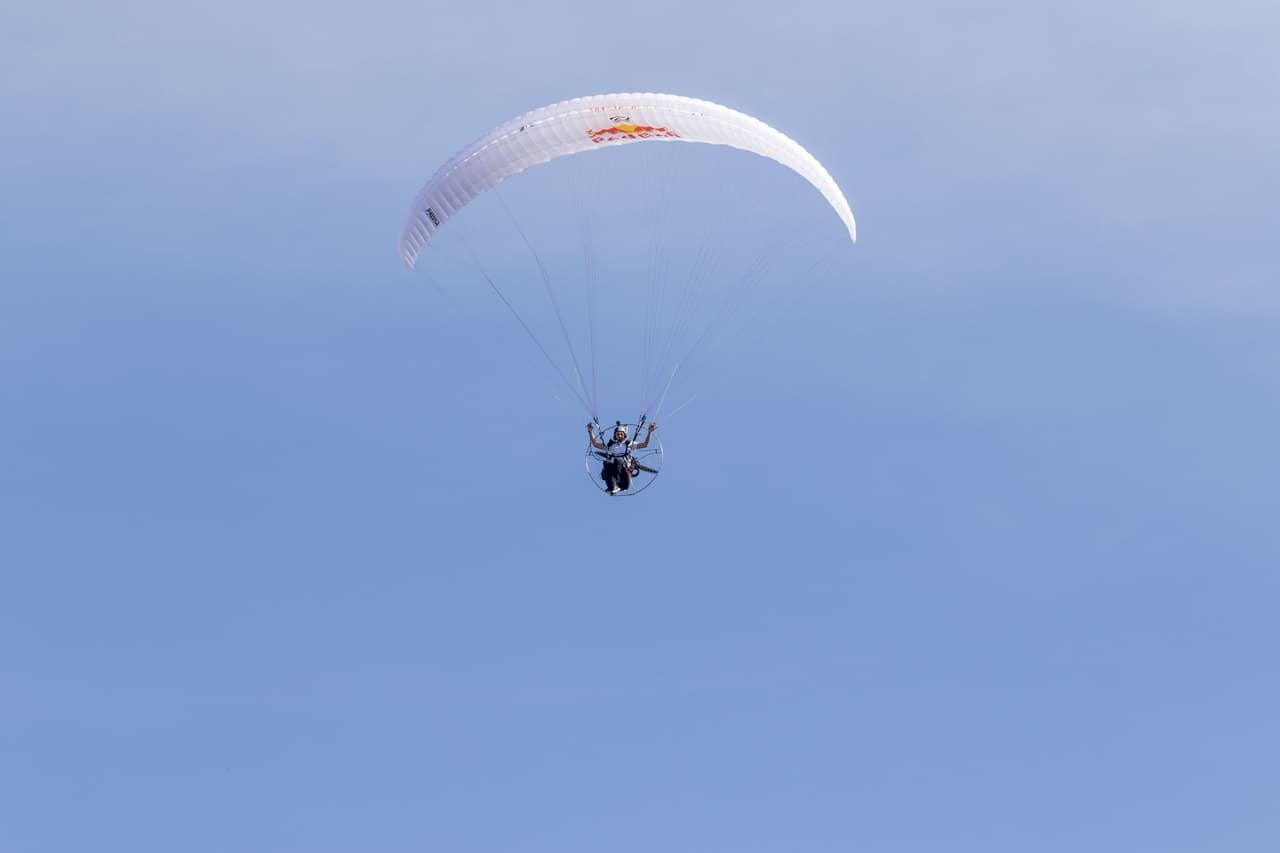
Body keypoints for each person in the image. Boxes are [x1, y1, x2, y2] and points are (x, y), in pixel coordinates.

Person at [586, 421, 658, 495]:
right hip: (613, 470)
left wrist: (650, 432)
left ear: (624, 435)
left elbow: (645, 444)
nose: (620, 435)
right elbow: (595, 444)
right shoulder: (610, 445)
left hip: (624, 471)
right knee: (606, 463)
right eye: (618, 434)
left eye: (621, 434)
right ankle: (612, 487)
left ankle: (617, 484)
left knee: (618, 461)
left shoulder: (629, 444)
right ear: (615, 435)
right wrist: (590, 431)